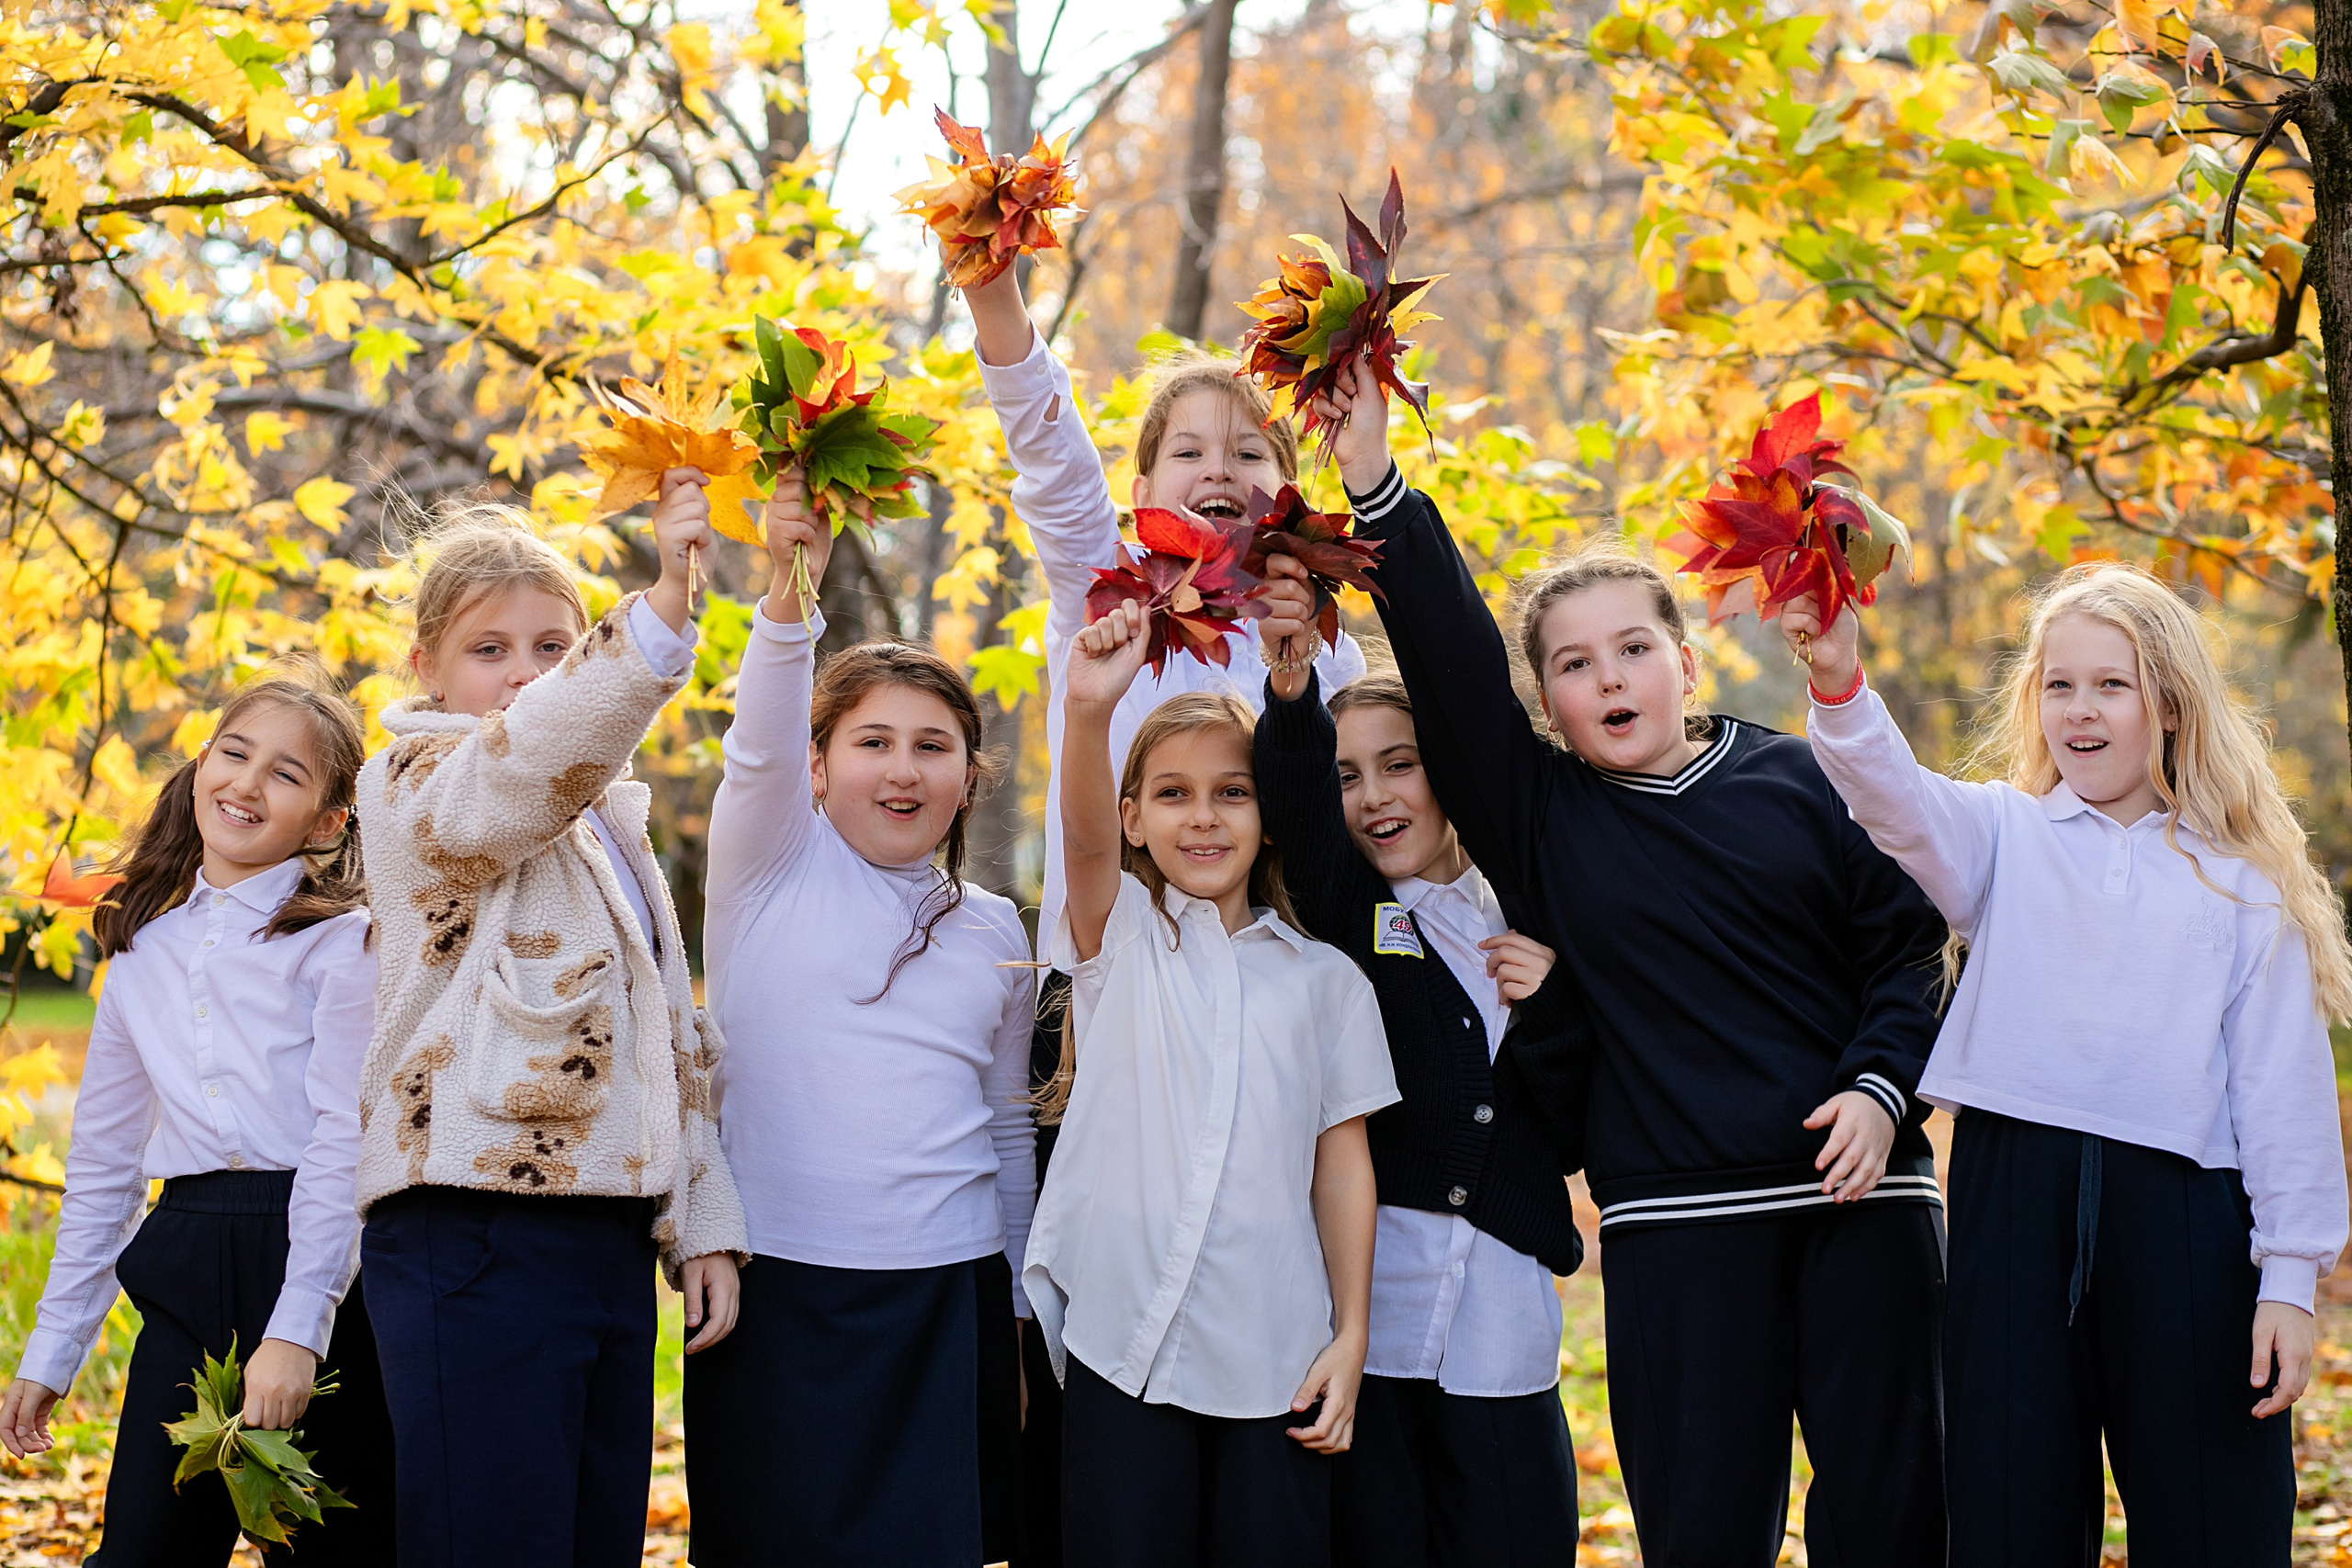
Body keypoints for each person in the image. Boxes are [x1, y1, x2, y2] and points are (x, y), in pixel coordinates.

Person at [1321, 353, 1951, 1565]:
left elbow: (1913, 947)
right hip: (1676, 1226)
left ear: (1686, 661)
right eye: (1572, 663)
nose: (1607, 675)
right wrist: (1374, 481)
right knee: (1701, 1530)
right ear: (1546, 704)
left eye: (1632, 648)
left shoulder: (1808, 777)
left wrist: (1882, 1091)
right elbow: (1449, 653)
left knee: (1893, 1523)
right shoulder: (1542, 818)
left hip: (1860, 1206)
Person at [1784, 567, 2352, 1566]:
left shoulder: (2243, 885)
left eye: (2110, 685)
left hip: (2186, 1221)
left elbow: (2284, 1095)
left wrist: (2290, 1282)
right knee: (2011, 1505)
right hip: (2014, 1201)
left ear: (2168, 706)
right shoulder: (2001, 836)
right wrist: (1837, 676)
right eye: (2059, 684)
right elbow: (1889, 795)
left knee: (2215, 1510)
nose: (2079, 709)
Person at [961, 258, 1366, 1560]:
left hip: (1267, 977)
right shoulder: (1108, 586)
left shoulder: (1318, 632)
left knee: (1249, 1243)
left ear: (1283, 482)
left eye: (1248, 449)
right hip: (1110, 975)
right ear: (1141, 486)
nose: (1217, 466)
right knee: (1100, 1278)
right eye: (1186, 448)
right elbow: (1046, 452)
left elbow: (1363, 807)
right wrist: (998, 305)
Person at [352, 493, 745, 1568]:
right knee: (493, 1544)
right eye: (489, 649)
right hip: (470, 1227)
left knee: (589, 1544)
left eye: (551, 648)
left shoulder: (606, 826)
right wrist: (660, 613)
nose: (524, 673)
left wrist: (701, 1221)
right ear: (428, 668)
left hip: (603, 1236)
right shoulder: (415, 788)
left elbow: (665, 1040)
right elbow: (517, 771)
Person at [688, 470, 1035, 1566]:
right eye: (872, 741)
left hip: (950, 1296)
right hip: (776, 1289)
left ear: (968, 777)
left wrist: (1022, 1310)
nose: (902, 769)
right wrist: (789, 583)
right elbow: (755, 739)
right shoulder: (764, 873)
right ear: (818, 766)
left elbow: (1006, 1127)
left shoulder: (995, 930)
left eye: (933, 746)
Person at [1024, 595, 1398, 1568]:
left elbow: (1342, 1167)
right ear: (1134, 818)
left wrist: (1351, 1334)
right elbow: (1080, 843)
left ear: (1269, 817)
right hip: (1123, 1345)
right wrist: (1087, 710)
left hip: (1275, 1353)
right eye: (1173, 794)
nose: (1202, 816)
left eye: (1233, 792)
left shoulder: (1325, 982)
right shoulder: (1120, 940)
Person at [0, 665, 397, 1566]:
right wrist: (53, 1350)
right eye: (235, 753)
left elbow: (346, 1139)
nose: (248, 783)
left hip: (322, 1263)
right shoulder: (141, 953)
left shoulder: (344, 943)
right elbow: (104, 1167)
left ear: (329, 821)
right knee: (143, 1551)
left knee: (341, 1550)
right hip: (184, 1260)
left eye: (286, 774)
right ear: (201, 764)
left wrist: (297, 1329)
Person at [1250, 556, 1588, 1566]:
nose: (1373, 797)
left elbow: (1576, 1124)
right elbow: (1299, 811)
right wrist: (1290, 690)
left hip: (1501, 1318)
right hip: (1377, 1321)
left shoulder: (1532, 911)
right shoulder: (1347, 914)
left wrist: (1552, 1006)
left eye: (1399, 764)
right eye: (1347, 776)